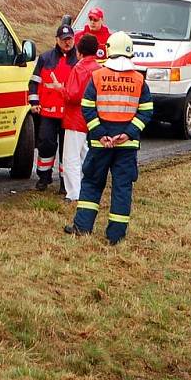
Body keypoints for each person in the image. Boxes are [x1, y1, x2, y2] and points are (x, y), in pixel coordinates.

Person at [65, 31, 153, 245]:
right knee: (122, 187)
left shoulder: (98, 76)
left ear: (110, 50)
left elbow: (87, 107)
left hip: (100, 143)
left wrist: (100, 134)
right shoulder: (139, 80)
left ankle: (82, 227)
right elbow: (146, 111)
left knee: (93, 183)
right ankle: (116, 236)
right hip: (127, 145)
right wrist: (128, 133)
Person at [29, 24, 78, 192]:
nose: (67, 43)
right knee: (46, 144)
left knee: (68, 150)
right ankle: (44, 176)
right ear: (57, 40)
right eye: (64, 40)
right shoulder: (45, 58)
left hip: (69, 114)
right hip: (48, 113)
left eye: (70, 39)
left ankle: (66, 183)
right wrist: (34, 103)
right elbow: (34, 82)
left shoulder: (78, 60)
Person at [61, 34, 101, 202]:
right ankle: (89, 187)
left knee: (71, 157)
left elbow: (73, 95)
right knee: (86, 154)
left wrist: (60, 89)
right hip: (92, 117)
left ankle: (74, 193)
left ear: (80, 51)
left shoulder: (79, 68)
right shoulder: (98, 68)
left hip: (76, 117)